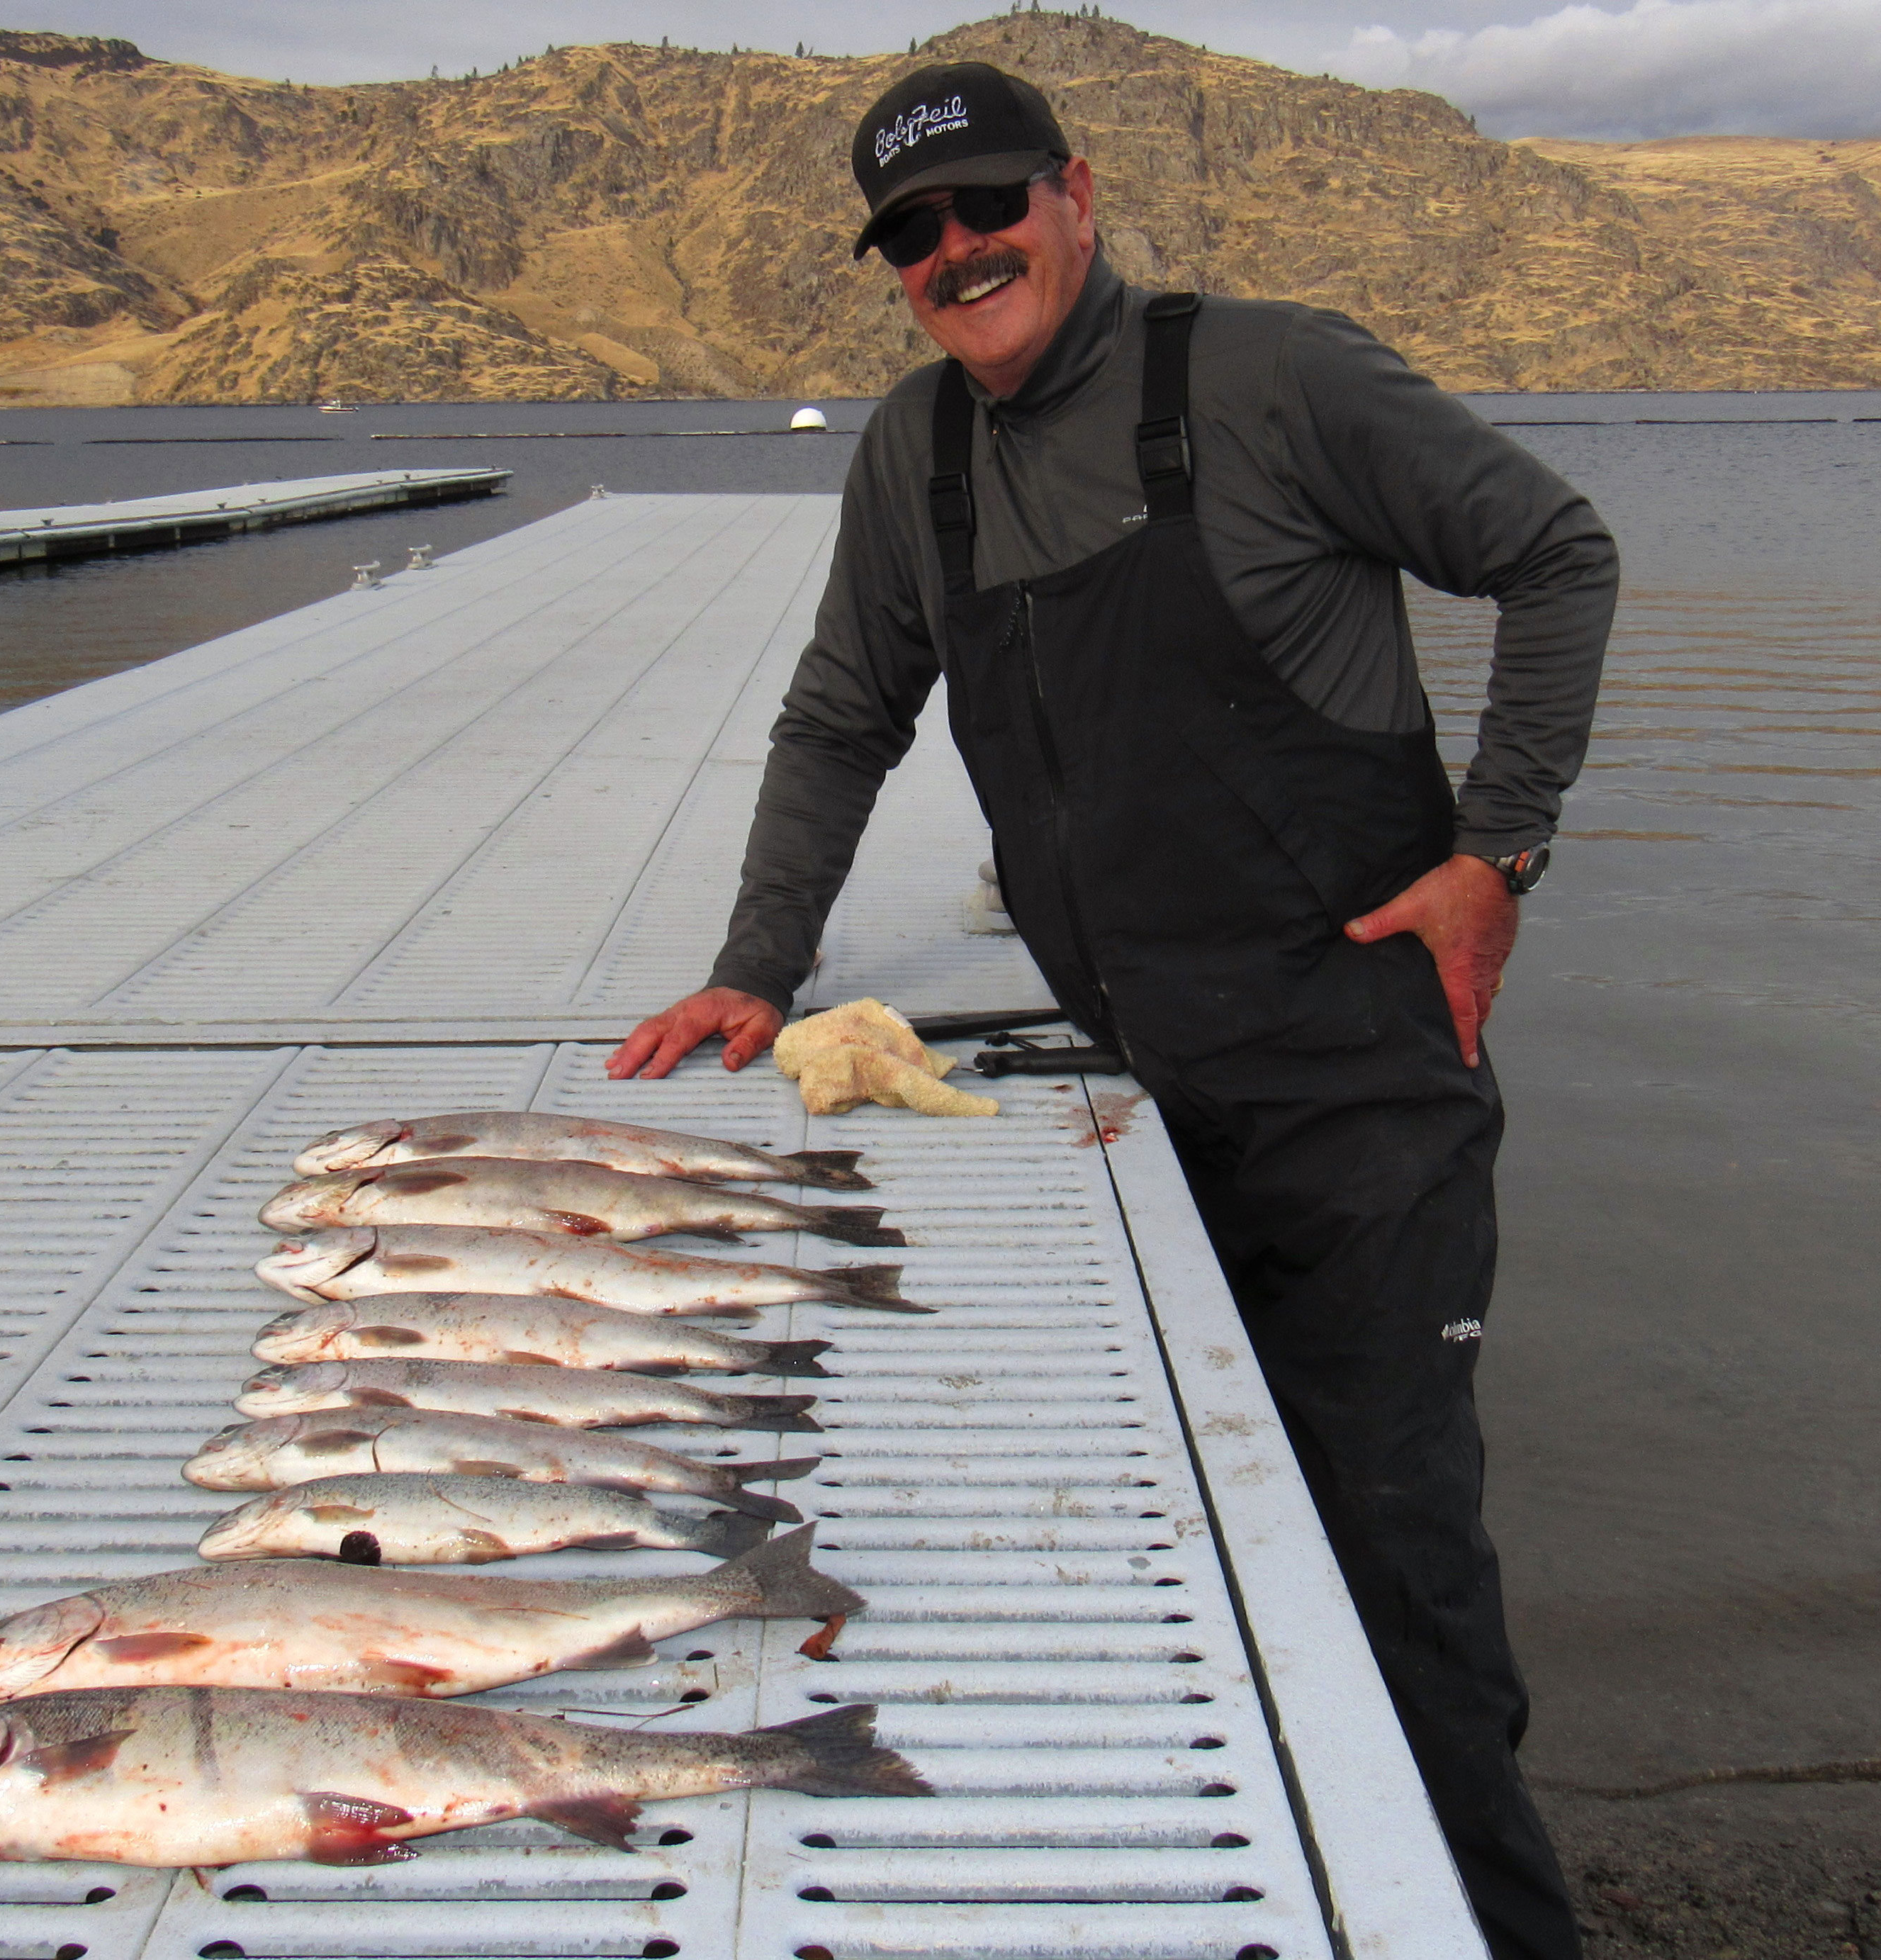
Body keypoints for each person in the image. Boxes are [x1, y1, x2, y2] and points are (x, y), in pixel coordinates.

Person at [607, 58, 1614, 1960]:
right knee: (1196, 1556)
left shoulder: (1279, 380)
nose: (957, 254)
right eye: (913, 234)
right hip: (1140, 1105)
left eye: (986, 207)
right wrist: (759, 964)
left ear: (1076, 191)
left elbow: (1559, 555)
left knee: (1401, 1570)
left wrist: (1503, 856)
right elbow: (842, 718)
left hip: (1358, 1109)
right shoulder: (912, 454)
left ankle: (1495, 1926)